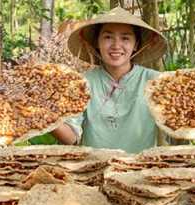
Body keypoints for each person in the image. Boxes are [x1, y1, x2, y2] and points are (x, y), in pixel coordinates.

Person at [52, 7, 168, 153]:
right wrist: (43, 115)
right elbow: (71, 137)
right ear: (97, 42)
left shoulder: (155, 82)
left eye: (125, 38)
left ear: (136, 45)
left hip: (140, 168)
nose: (116, 45)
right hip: (93, 169)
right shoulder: (82, 83)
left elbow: (176, 122)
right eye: (108, 37)